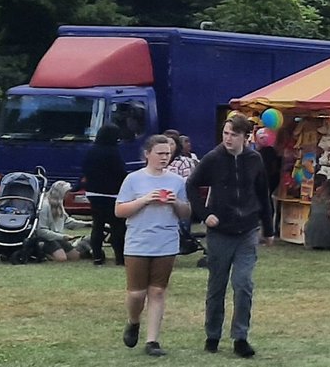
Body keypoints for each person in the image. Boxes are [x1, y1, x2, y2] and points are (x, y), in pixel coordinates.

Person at [186, 113, 273, 358]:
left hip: (247, 229)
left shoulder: (254, 159)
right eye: (225, 134)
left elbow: (263, 193)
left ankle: (240, 337)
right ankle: (212, 334)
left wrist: (269, 229)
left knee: (243, 284)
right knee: (217, 285)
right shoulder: (213, 158)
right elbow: (191, 185)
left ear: (246, 137)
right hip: (220, 231)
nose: (228, 139)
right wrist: (204, 214)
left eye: (234, 135)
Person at [115, 134, 190, 357]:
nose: (164, 158)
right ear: (147, 154)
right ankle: (134, 320)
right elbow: (119, 211)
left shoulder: (177, 181)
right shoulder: (133, 180)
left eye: (167, 154)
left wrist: (174, 202)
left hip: (165, 241)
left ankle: (152, 340)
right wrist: (145, 200)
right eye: (160, 154)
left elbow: (186, 213)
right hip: (138, 242)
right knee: (137, 293)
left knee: (157, 291)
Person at [82, 123, 128, 265]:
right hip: (111, 194)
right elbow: (119, 172)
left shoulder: (91, 150)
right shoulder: (113, 152)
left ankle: (97, 257)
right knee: (117, 227)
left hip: (93, 193)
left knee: (98, 225)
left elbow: (85, 170)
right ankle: (120, 258)